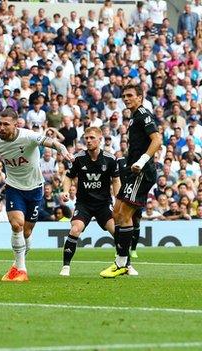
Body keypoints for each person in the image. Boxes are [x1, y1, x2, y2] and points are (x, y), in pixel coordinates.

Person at [0, 107, 73, 282]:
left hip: (35, 188)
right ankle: (22, 269)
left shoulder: (28, 136)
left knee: (27, 232)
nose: (1, 127)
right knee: (17, 225)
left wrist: (62, 149)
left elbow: (51, 142)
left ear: (15, 124)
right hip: (14, 187)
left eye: (6, 124)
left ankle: (17, 264)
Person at [100, 84, 161, 278]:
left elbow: (157, 140)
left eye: (130, 96)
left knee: (124, 214)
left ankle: (121, 264)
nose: (126, 99)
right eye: (124, 96)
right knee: (117, 212)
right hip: (132, 170)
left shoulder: (143, 114)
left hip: (142, 171)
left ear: (140, 97)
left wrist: (142, 160)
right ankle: (125, 262)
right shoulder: (134, 117)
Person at [59, 127, 128, 276]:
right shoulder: (79, 158)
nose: (88, 141)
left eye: (91, 138)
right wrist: (65, 190)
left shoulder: (110, 159)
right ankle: (66, 266)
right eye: (86, 138)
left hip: (103, 204)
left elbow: (116, 180)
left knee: (117, 232)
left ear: (100, 139)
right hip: (84, 204)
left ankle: (126, 264)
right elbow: (69, 176)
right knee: (75, 229)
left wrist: (118, 200)